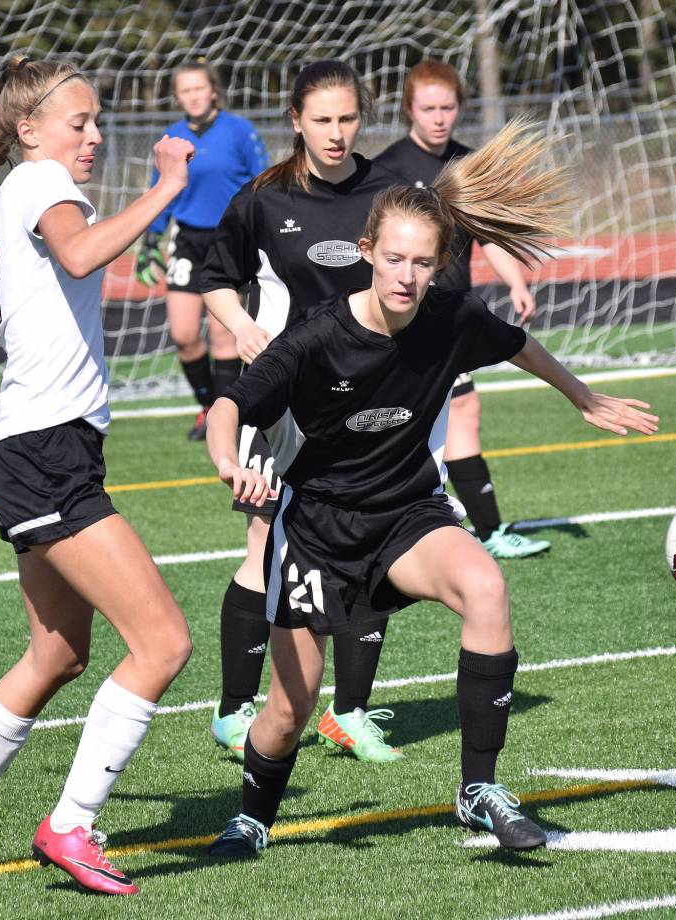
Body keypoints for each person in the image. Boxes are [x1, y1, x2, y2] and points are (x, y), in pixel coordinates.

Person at [202, 121, 659, 858]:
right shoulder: (317, 339)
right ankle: (252, 817)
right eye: (393, 260)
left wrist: (583, 396)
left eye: (422, 262)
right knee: (290, 709)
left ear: (442, 262)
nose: (407, 276)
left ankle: (478, 790)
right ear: (366, 255)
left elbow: (516, 343)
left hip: (408, 516)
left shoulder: (451, 317)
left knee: (485, 586)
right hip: (318, 529)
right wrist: (229, 461)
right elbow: (231, 405)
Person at [0, 55, 194, 897]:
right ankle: (72, 824)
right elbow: (86, 253)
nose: (94, 135)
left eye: (97, 123)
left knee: (58, 651)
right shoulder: (46, 185)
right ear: (30, 131)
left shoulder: (15, 191)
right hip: (47, 451)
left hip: (32, 451)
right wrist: (167, 186)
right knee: (163, 643)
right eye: (79, 122)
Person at [200, 60, 407, 764]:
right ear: (295, 121)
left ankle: (349, 712)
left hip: (371, 401)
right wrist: (241, 326)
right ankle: (234, 709)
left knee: (375, 545)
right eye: (322, 119)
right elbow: (212, 279)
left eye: (347, 118)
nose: (336, 132)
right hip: (283, 400)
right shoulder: (263, 198)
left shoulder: (389, 194)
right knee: (264, 539)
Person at [374, 59, 550, 560]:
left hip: (452, 315)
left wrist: (516, 280)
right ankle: (481, 530)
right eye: (428, 107)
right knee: (451, 415)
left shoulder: (468, 167)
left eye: (447, 107)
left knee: (451, 415)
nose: (438, 117)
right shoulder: (387, 168)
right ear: (409, 108)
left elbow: (485, 237)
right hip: (412, 317)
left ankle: (470, 526)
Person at [135, 60, 269, 440]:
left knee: (224, 337)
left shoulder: (239, 131)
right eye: (185, 90)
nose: (193, 96)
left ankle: (223, 418)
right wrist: (150, 241)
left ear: (213, 90)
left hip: (232, 240)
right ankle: (207, 405)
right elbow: (160, 191)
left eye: (199, 88)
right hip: (188, 241)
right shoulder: (172, 138)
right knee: (184, 333)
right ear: (178, 96)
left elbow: (263, 182)